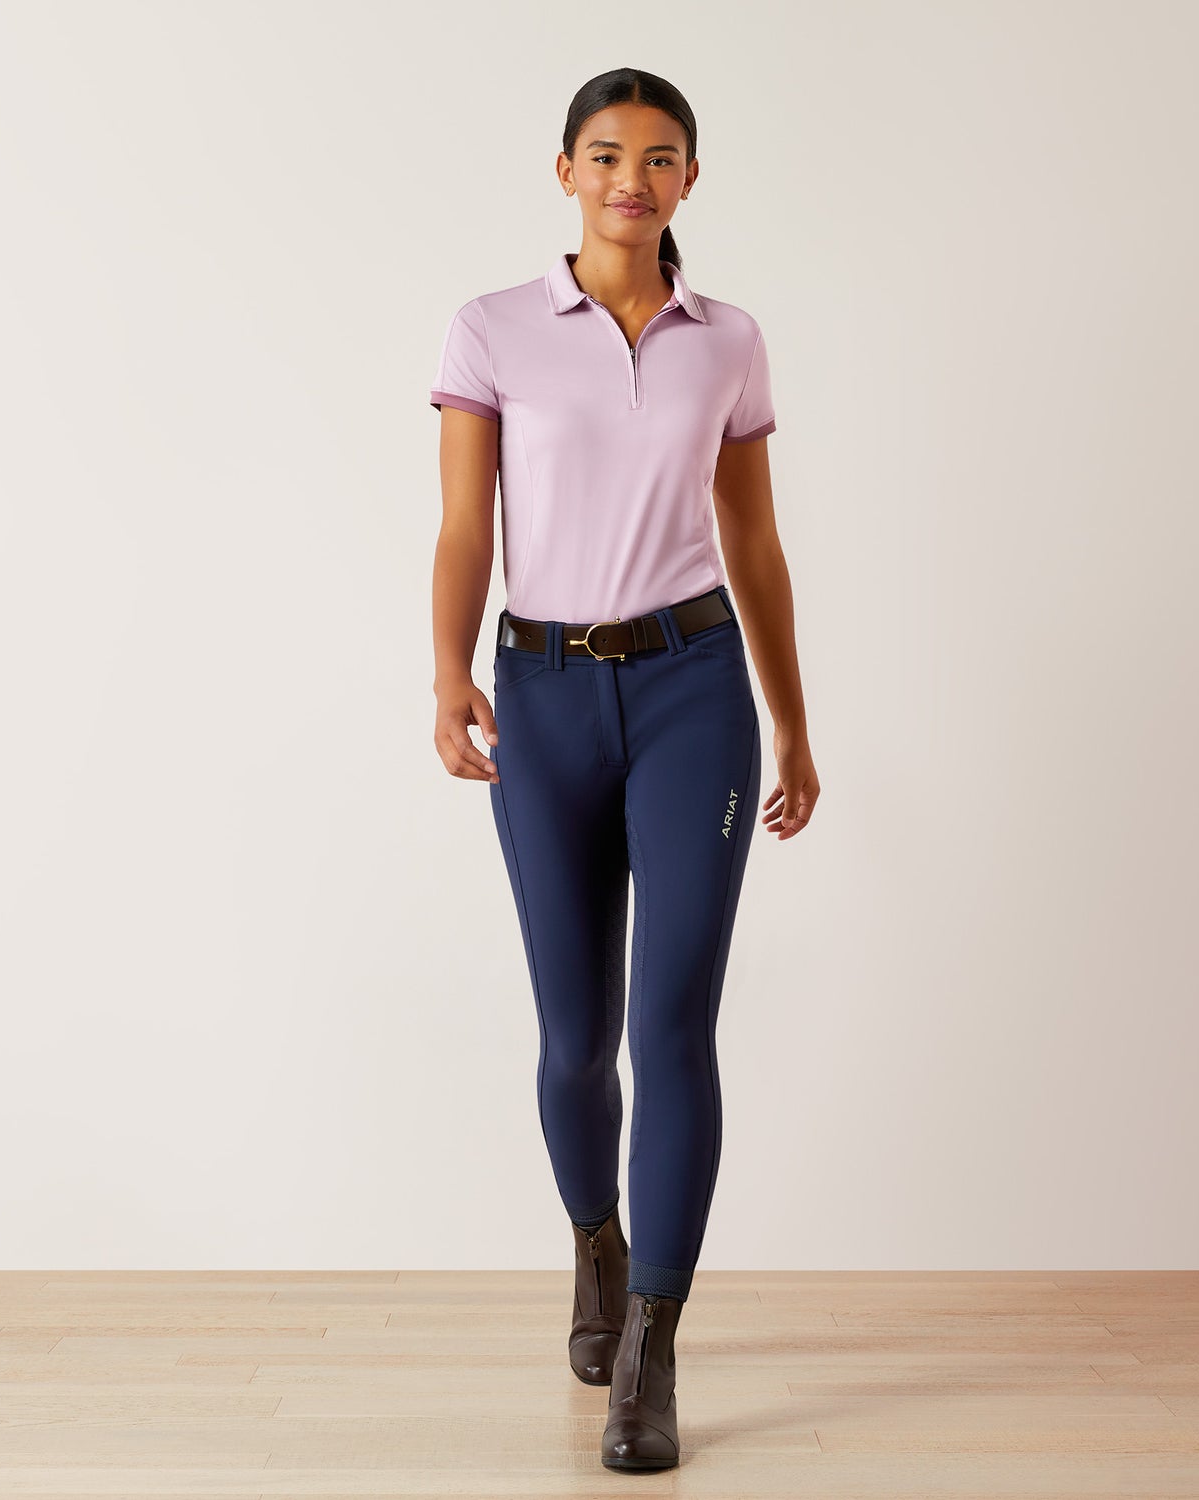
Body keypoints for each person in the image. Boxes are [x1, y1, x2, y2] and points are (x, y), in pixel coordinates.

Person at [429, 66, 819, 1472]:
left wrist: (793, 720)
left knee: (671, 1029)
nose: (630, 180)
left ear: (688, 180)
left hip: (692, 693)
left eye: (658, 159)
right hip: (541, 696)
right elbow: (466, 525)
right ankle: (596, 1239)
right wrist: (449, 671)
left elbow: (754, 543)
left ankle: (650, 1349)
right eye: (605, 155)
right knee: (573, 1042)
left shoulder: (729, 341)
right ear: (565, 172)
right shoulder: (493, 330)